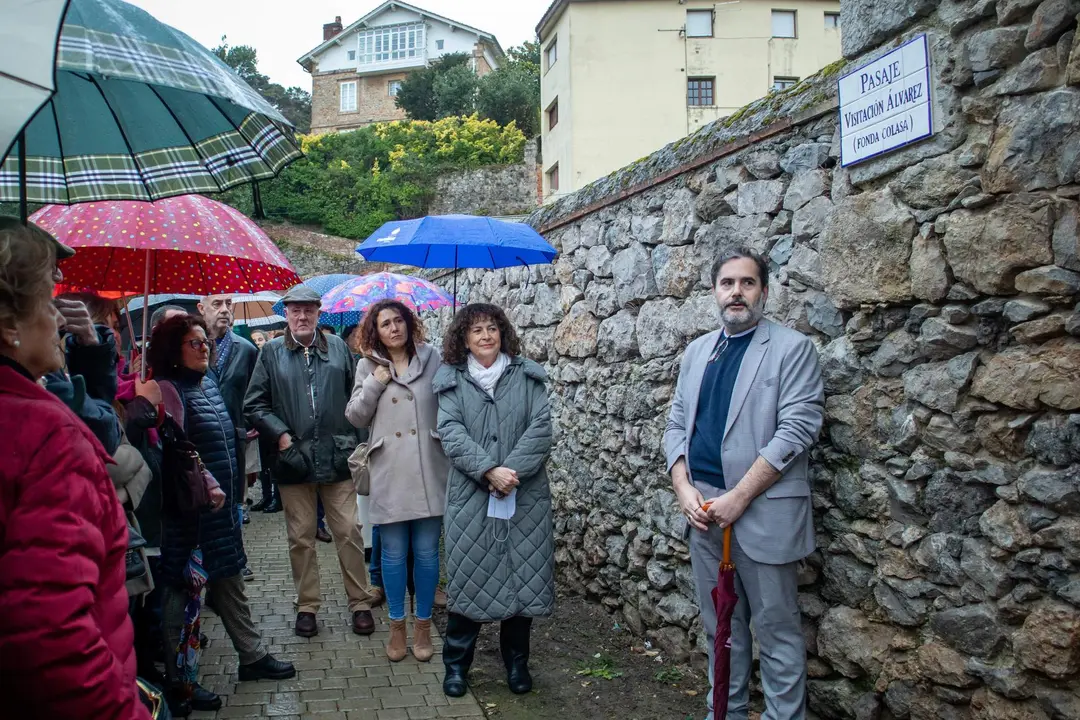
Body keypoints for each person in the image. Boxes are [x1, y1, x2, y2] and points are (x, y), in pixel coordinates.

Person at [0, 217, 152, 719]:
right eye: (47, 298)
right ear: (8, 325)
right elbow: (51, 632)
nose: (58, 316)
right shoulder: (45, 433)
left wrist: (91, 356)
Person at [664, 248, 824, 720]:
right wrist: (683, 486)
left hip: (761, 512)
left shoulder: (792, 349)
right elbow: (676, 424)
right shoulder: (698, 352)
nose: (736, 292)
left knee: (776, 633)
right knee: (721, 631)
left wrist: (739, 497)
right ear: (714, 291)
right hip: (704, 512)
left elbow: (797, 429)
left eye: (747, 283)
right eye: (727, 283)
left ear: (764, 291)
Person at [146, 315, 295, 714]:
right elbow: (173, 454)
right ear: (173, 352)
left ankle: (252, 656)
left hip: (221, 508)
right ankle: (181, 683)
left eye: (205, 342)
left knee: (229, 581)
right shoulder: (167, 390)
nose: (205, 349)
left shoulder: (206, 383)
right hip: (189, 514)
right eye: (194, 344)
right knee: (182, 595)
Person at [432, 303, 554, 698]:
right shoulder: (450, 380)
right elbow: (450, 431)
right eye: (476, 330)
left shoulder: (528, 375)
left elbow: (541, 426)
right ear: (462, 338)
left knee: (521, 581)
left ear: (502, 333)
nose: (485, 336)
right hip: (471, 497)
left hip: (524, 495)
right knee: (469, 579)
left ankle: (517, 663)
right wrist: (488, 470)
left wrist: (511, 471)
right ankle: (456, 666)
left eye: (491, 328)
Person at [245, 283, 376, 638]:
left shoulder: (337, 348)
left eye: (308, 310)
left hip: (337, 456)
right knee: (300, 537)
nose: (302, 316)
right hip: (293, 460)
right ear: (285, 314)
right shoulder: (270, 352)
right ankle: (307, 606)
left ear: (319, 313)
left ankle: (360, 602)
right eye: (295, 310)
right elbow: (254, 404)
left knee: (348, 531)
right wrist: (282, 436)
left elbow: (358, 399)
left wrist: (358, 445)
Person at [346, 300, 448, 662]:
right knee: (390, 554)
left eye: (399, 320)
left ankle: (423, 625)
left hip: (427, 468)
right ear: (376, 331)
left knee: (425, 553)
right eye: (386, 323)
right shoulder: (367, 365)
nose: (394, 328)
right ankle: (396, 626)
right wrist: (375, 383)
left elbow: (449, 399)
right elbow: (356, 416)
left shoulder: (432, 356)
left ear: (409, 323)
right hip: (389, 470)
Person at [197, 294, 259, 552]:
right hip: (198, 436)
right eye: (217, 304)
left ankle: (236, 554)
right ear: (201, 309)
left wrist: (248, 424)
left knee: (233, 498)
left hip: (233, 436)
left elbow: (256, 392)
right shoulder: (191, 346)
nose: (224, 310)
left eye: (228, 304)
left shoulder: (246, 349)